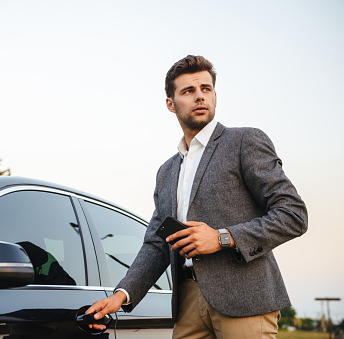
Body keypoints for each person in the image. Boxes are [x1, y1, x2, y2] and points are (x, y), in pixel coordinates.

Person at [86, 55, 308, 338]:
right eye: (189, 91)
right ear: (171, 103)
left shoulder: (244, 142)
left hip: (245, 300)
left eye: (206, 89)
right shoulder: (166, 171)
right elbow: (157, 243)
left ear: (215, 95)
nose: (200, 97)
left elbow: (293, 214)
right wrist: (121, 294)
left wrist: (221, 237)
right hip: (188, 301)